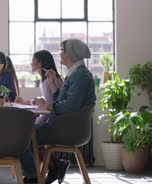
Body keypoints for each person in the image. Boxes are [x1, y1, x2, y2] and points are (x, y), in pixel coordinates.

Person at [20, 39, 96, 184]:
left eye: (61, 50)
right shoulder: (76, 74)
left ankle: (32, 177)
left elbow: (70, 106)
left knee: (23, 135)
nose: (59, 54)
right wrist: (52, 82)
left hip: (66, 129)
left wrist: (48, 107)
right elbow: (61, 101)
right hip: (63, 125)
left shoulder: (80, 76)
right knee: (25, 133)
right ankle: (43, 172)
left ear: (69, 54)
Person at [16, 50, 64, 124]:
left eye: (33, 60)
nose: (31, 63)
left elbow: (48, 107)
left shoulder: (47, 81)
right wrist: (25, 102)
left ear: (40, 64)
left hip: (53, 120)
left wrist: (37, 124)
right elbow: (45, 101)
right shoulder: (46, 80)